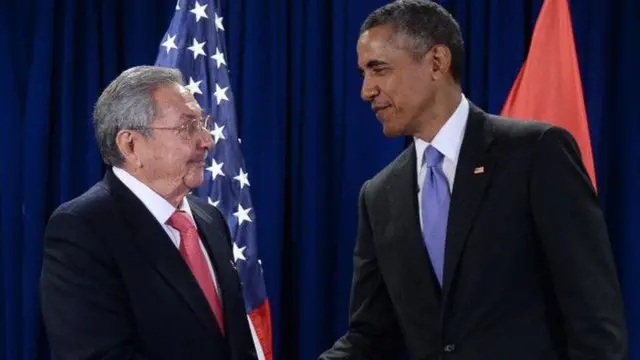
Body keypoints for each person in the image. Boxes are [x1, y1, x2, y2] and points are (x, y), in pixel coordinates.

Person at [319, 1, 628, 359]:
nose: (366, 90)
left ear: (437, 62)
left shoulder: (535, 154)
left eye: (379, 69)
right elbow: (370, 336)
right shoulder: (378, 196)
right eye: (363, 74)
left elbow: (595, 321)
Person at [40, 65, 257, 359]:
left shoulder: (210, 220)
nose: (207, 140)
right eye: (187, 127)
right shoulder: (83, 228)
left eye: (202, 123)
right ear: (130, 145)